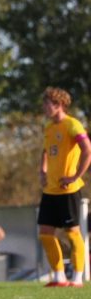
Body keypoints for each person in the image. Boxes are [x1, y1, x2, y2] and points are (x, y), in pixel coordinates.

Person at [37, 87, 91, 287]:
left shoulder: (73, 125)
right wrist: (42, 172)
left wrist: (76, 175)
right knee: (44, 233)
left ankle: (77, 278)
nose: (44, 108)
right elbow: (45, 151)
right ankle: (59, 276)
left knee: (72, 233)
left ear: (59, 104)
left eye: (47, 104)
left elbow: (87, 149)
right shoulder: (49, 127)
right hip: (50, 190)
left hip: (68, 190)